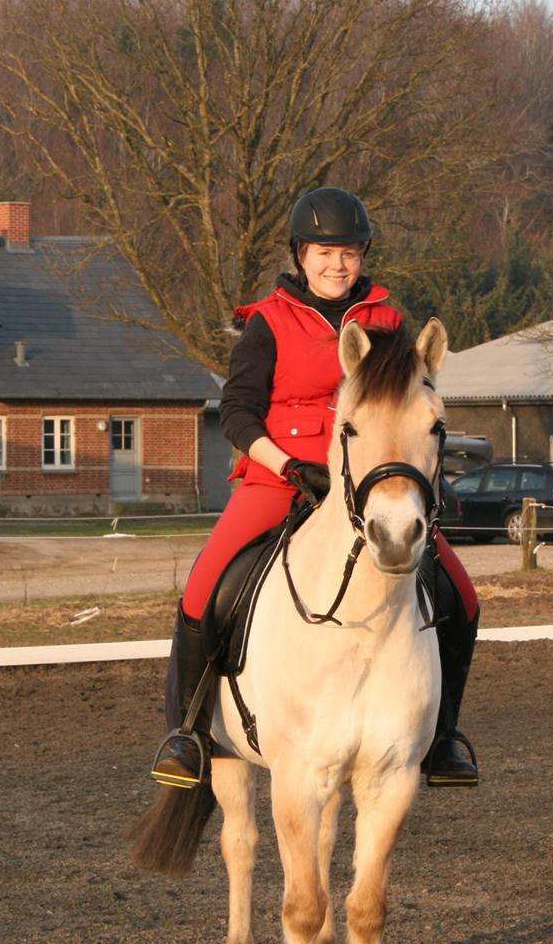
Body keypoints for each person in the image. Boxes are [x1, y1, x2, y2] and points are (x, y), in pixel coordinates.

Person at [151, 186, 480, 789]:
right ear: (300, 254)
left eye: (350, 252)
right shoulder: (268, 322)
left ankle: (443, 736)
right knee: (204, 588)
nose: (338, 264)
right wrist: (287, 466)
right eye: (325, 252)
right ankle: (188, 735)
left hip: (370, 482)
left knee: (460, 593)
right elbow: (238, 413)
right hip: (282, 477)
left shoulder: (388, 322)